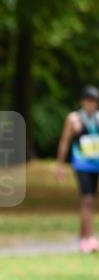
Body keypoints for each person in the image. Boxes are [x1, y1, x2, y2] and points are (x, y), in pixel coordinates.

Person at [56, 84, 99, 252]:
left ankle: (82, 238)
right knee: (87, 199)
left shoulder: (98, 118)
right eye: (89, 101)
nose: (92, 104)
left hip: (96, 165)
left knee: (90, 199)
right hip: (81, 164)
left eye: (95, 101)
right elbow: (64, 141)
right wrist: (60, 165)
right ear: (82, 101)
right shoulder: (74, 119)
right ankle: (90, 237)